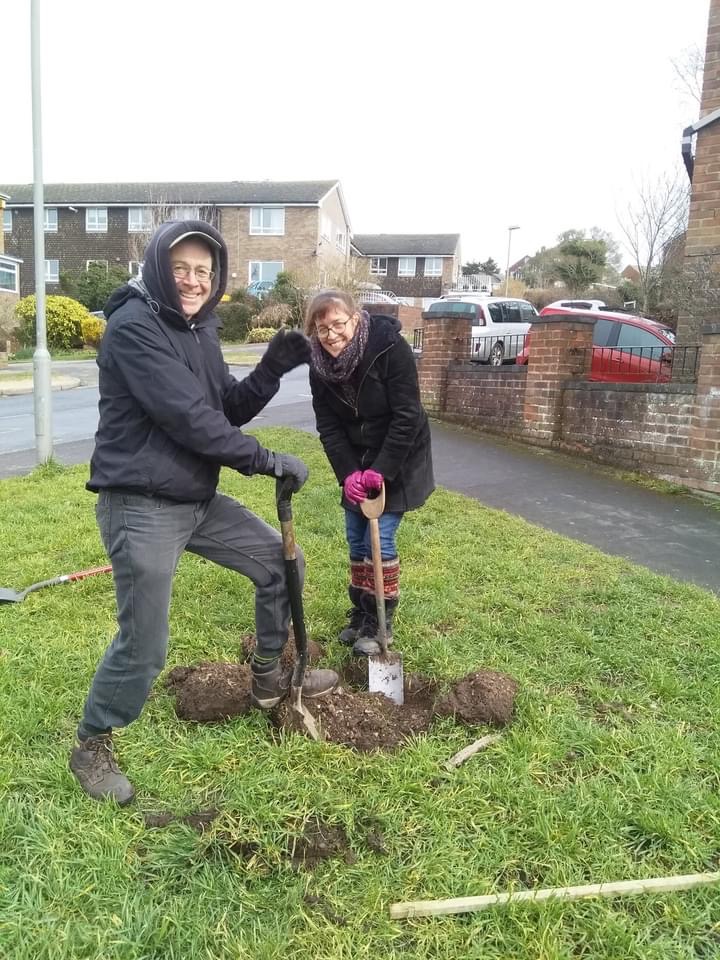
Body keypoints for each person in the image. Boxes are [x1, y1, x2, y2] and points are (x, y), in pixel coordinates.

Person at [70, 220, 338, 806]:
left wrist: (272, 367)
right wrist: (265, 461)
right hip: (140, 505)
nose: (194, 281)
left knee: (279, 563)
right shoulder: (132, 328)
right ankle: (92, 743)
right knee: (146, 642)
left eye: (204, 271)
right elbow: (190, 421)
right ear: (158, 267)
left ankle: (270, 679)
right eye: (182, 268)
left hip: (194, 500)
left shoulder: (199, 330)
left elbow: (226, 409)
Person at [305, 289, 434, 657]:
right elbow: (328, 425)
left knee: (382, 540)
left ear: (355, 319)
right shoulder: (318, 365)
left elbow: (407, 415)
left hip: (400, 454)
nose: (331, 335)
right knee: (356, 538)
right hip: (355, 461)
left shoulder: (389, 347)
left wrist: (382, 470)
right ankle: (362, 613)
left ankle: (381, 620)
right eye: (321, 328)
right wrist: (348, 472)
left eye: (338, 324)